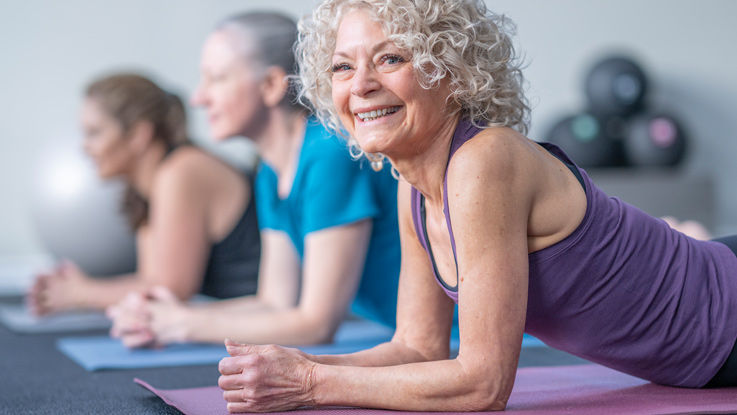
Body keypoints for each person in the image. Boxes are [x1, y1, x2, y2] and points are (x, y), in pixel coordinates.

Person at [215, 0, 737, 412]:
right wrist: (297, 364)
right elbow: (417, 350)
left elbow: (484, 385)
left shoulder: (484, 160)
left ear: (453, 70)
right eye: (342, 67)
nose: (361, 85)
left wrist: (310, 383)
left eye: (391, 58)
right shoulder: (412, 185)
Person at [107, 11, 401, 348]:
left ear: (271, 85)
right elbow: (274, 302)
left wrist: (180, 324)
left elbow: (316, 325)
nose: (198, 98)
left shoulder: (327, 153)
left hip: (454, 346)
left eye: (216, 79)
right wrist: (166, 315)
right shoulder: (270, 171)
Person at [27, 73, 260, 316]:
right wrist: (75, 290)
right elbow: (150, 279)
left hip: (265, 327)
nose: (84, 146)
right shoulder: (144, 188)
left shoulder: (182, 171)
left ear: (139, 135)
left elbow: (170, 290)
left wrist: (78, 292)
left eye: (94, 132)